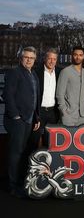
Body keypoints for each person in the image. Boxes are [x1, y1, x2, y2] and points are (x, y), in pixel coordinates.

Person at [3, 46, 40, 197]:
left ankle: (22, 183)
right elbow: (7, 95)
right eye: (26, 57)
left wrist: (37, 116)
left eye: (31, 58)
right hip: (18, 120)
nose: (29, 60)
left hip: (30, 120)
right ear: (21, 58)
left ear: (35, 59)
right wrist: (16, 116)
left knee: (24, 152)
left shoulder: (34, 75)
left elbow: (35, 97)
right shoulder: (14, 73)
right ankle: (13, 186)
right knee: (16, 153)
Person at [30, 48, 61, 149]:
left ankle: (47, 163)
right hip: (39, 111)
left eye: (54, 59)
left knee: (50, 141)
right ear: (45, 59)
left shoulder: (60, 73)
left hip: (53, 112)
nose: (52, 61)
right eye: (49, 58)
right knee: (34, 140)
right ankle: (33, 163)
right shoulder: (36, 73)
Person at [56, 46, 84, 126]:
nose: (78, 57)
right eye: (75, 55)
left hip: (83, 115)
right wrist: (64, 111)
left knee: (82, 138)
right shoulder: (65, 72)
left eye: (80, 55)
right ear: (72, 55)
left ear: (83, 56)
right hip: (69, 115)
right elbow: (59, 93)